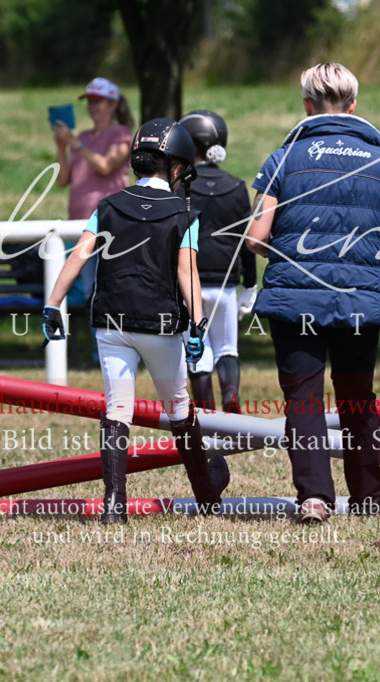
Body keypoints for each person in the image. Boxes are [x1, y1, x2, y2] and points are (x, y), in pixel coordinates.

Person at [247, 63, 380, 524]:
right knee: (357, 395)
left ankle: (314, 498)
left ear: (306, 105)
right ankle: (366, 499)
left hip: (294, 297)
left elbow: (255, 238)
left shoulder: (282, 158)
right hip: (362, 297)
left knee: (302, 397)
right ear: (354, 105)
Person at [42, 118, 230, 524]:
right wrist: (197, 326)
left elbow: (79, 255)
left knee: (118, 409)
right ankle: (207, 497)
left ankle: (114, 506)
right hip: (160, 326)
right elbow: (187, 274)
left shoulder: (107, 207)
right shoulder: (183, 213)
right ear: (177, 168)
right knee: (180, 409)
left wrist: (53, 304)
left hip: (111, 323)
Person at [177, 109, 257, 414]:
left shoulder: (182, 186)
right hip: (226, 283)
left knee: (197, 350)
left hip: (190, 282)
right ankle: (231, 395)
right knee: (227, 348)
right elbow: (247, 242)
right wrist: (250, 284)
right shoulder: (237, 187)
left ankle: (206, 411)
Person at [53, 77, 134, 365]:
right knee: (92, 292)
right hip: (81, 227)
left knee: (112, 290)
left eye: (98, 102)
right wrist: (62, 148)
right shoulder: (84, 139)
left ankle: (120, 352)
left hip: (111, 226)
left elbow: (105, 164)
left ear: (113, 104)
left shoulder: (122, 134)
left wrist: (73, 142)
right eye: (90, 102)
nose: (93, 107)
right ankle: (100, 354)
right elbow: (63, 180)